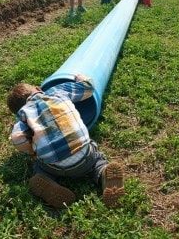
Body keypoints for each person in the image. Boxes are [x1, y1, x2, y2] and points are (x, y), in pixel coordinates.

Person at [7, 74, 125, 208]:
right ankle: (103, 171)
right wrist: (81, 79)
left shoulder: (23, 114)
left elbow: (17, 139)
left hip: (53, 166)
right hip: (84, 159)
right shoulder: (57, 91)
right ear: (38, 89)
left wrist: (32, 151)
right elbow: (88, 89)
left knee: (38, 165)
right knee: (96, 158)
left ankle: (45, 178)